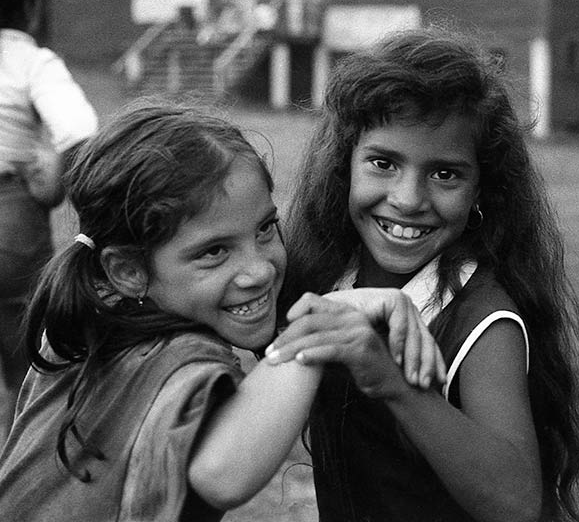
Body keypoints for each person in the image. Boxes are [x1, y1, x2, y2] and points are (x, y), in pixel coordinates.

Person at [0, 101, 443, 521]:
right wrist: (324, 323)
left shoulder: (92, 316)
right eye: (214, 252)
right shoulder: (175, 353)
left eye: (266, 229)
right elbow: (223, 477)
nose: (258, 271)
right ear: (128, 270)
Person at [270, 25, 579, 522]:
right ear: (344, 165)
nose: (408, 199)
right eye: (383, 163)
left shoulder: (482, 319)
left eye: (445, 174)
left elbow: (517, 503)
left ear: (483, 189)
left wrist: (394, 382)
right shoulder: (326, 274)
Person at [0, 0, 98, 438]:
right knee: (26, 370)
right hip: (11, 221)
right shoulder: (31, 62)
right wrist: (59, 180)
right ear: (34, 2)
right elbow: (79, 129)